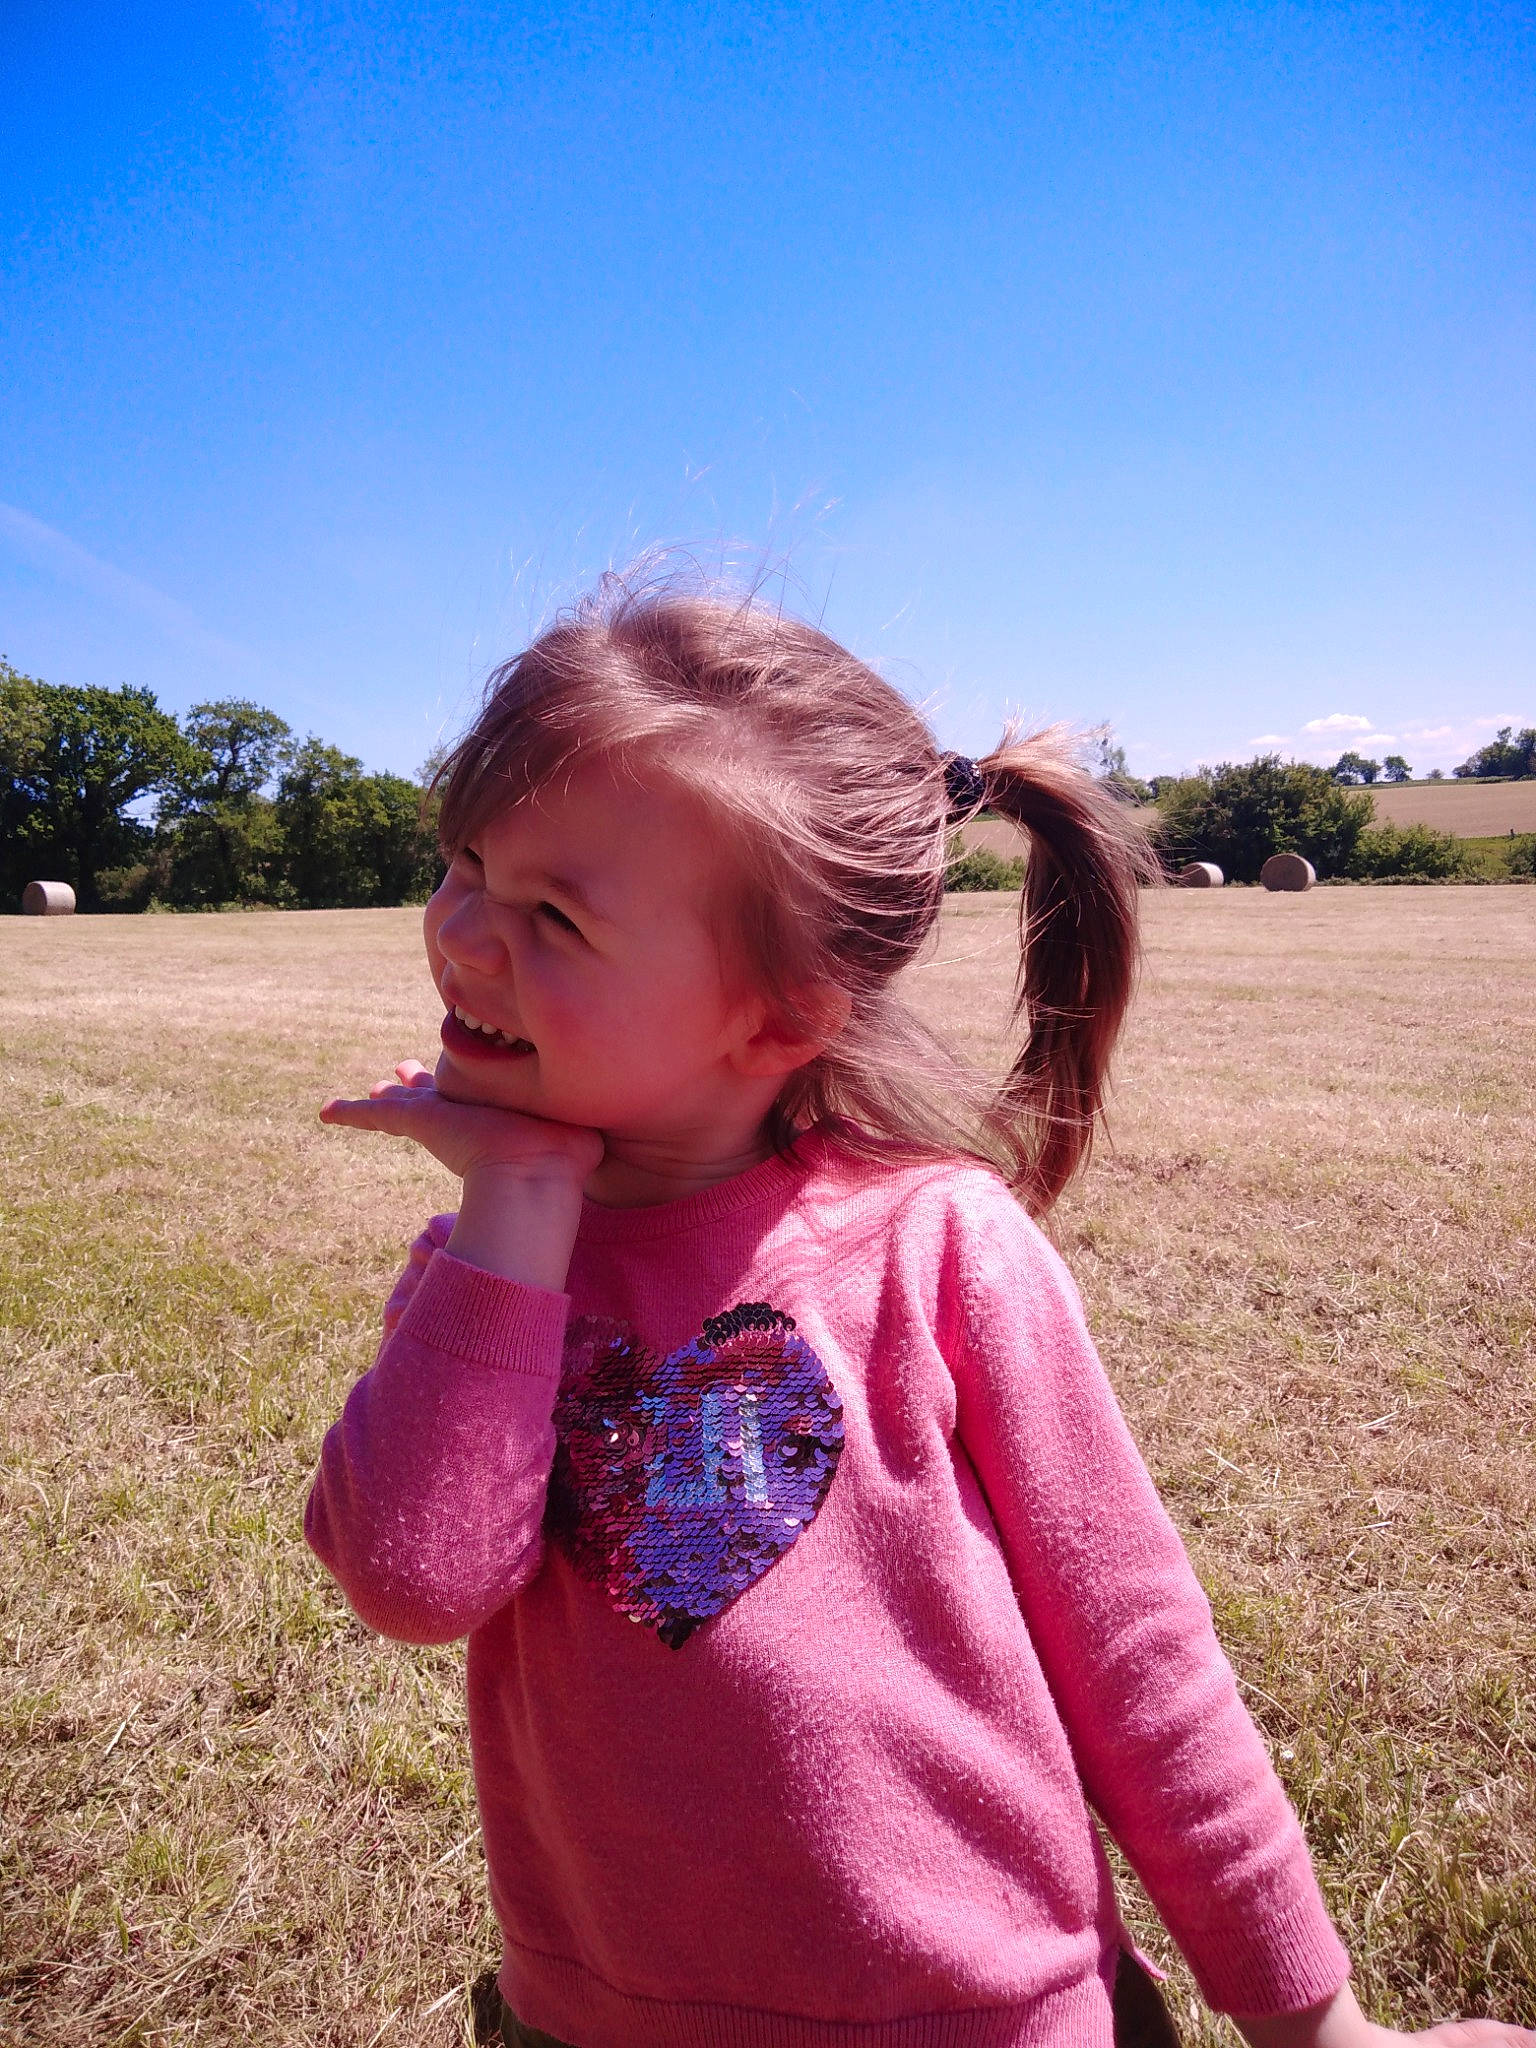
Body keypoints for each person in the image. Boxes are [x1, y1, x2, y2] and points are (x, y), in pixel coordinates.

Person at [307, 574, 1532, 2048]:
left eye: (552, 913)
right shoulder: (489, 1278)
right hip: (593, 2022)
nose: (461, 933)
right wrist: (511, 1202)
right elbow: (416, 1580)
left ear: (783, 1015)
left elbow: (1138, 1660)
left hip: (994, 2016)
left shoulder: (935, 1245)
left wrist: (1313, 2029)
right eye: (464, 862)